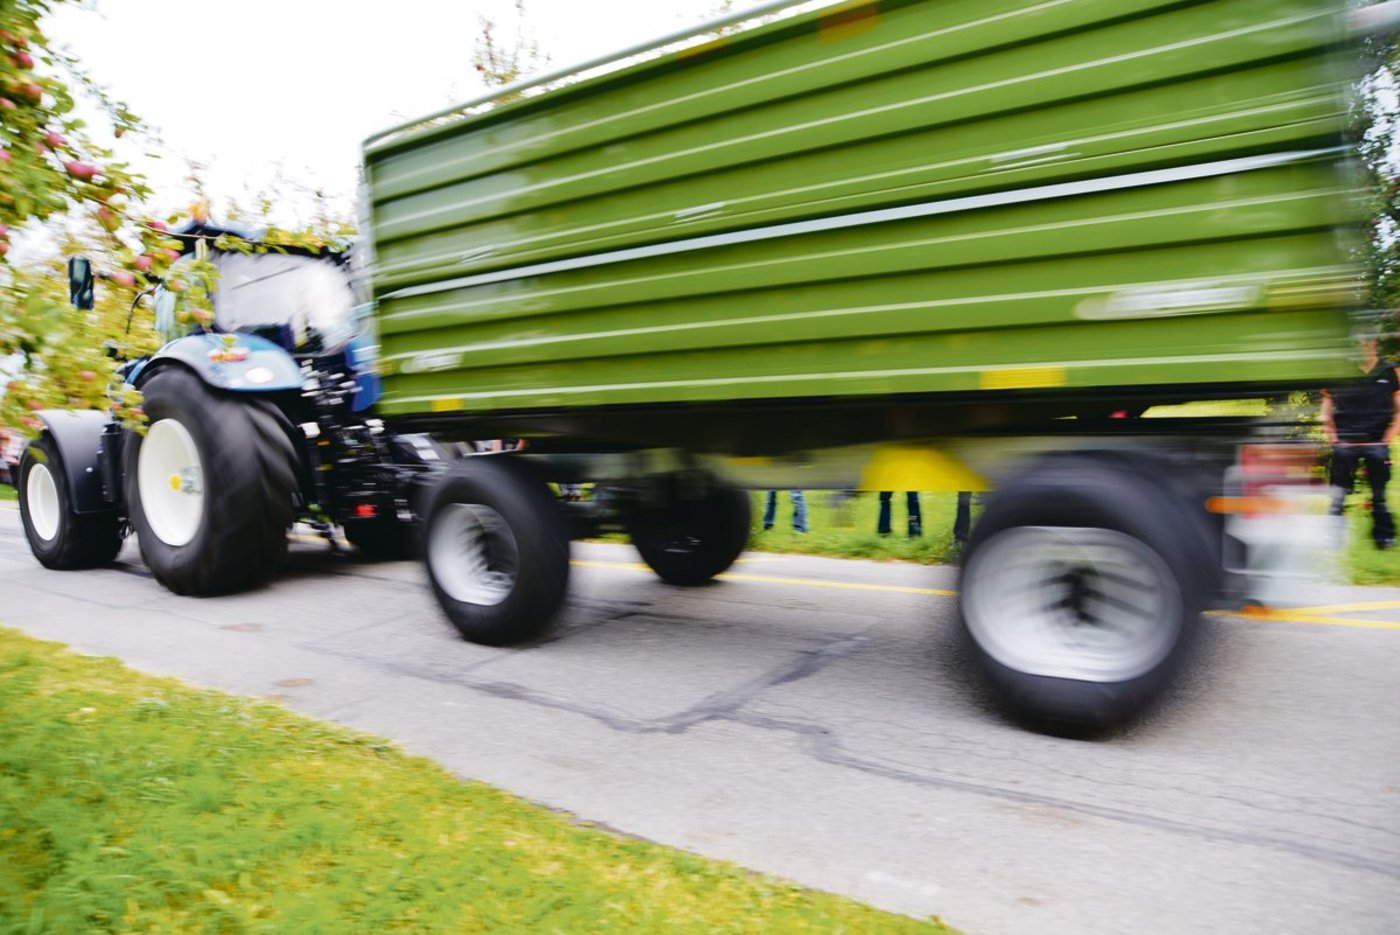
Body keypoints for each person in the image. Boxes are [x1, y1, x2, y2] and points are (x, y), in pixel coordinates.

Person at [1321, 332, 1400, 549]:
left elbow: (1399, 411)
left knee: (1379, 495)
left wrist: (1386, 440)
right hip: (1345, 443)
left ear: (1373, 343)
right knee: (1338, 495)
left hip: (1376, 443)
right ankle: (1333, 538)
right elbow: (1326, 413)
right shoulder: (1340, 372)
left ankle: (1384, 538)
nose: (1360, 348)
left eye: (1363, 343)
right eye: (1355, 344)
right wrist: (1334, 439)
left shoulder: (1390, 371)